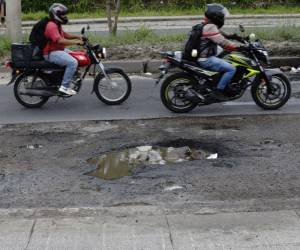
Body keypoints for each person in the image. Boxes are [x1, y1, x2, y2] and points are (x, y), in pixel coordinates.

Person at [197, 3, 244, 101]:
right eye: (222, 16)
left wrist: (236, 37)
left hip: (203, 55)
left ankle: (217, 81)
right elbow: (223, 42)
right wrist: (238, 47)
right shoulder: (210, 27)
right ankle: (218, 91)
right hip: (205, 58)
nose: (223, 18)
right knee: (231, 69)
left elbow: (223, 35)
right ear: (216, 16)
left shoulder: (208, 25)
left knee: (224, 55)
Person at [43, 3, 84, 95]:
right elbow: (60, 40)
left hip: (58, 50)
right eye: (62, 14)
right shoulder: (51, 26)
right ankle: (64, 87)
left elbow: (64, 35)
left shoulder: (56, 24)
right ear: (56, 15)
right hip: (51, 53)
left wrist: (78, 36)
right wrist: (76, 42)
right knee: (73, 62)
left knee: (77, 55)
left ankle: (71, 76)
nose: (65, 16)